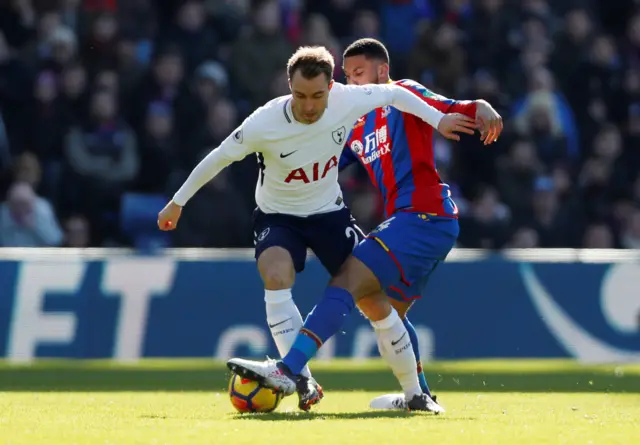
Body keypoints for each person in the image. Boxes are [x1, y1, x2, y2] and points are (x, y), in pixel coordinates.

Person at [157, 45, 476, 411]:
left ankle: (415, 393)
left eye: (317, 96)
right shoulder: (264, 122)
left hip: (329, 214)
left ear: (332, 88)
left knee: (373, 299)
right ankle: (302, 379)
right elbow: (219, 157)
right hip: (278, 216)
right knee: (275, 275)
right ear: (289, 87)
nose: (309, 106)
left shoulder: (347, 100)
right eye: (300, 95)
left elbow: (396, 93)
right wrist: (178, 201)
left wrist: (438, 120)